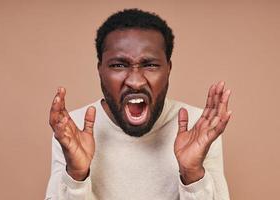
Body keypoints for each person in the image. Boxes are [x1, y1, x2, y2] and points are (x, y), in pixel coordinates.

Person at [45, 8, 231, 200]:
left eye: (150, 64)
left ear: (168, 69)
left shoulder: (199, 126)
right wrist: (76, 176)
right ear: (100, 70)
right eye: (119, 65)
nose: (135, 81)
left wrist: (192, 174)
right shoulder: (72, 128)